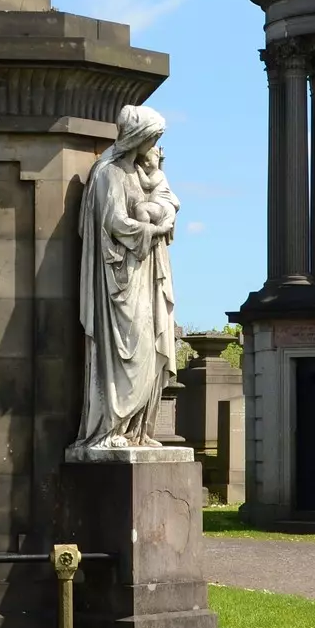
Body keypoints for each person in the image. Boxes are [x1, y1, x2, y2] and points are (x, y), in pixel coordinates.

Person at [75, 105, 180, 451]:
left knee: (148, 347)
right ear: (139, 137)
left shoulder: (139, 173)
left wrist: (161, 216)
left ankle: (137, 430)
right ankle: (110, 429)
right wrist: (155, 227)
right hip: (120, 279)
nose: (155, 146)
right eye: (152, 138)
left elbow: (164, 198)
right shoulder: (109, 174)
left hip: (144, 272)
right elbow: (115, 223)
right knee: (128, 350)